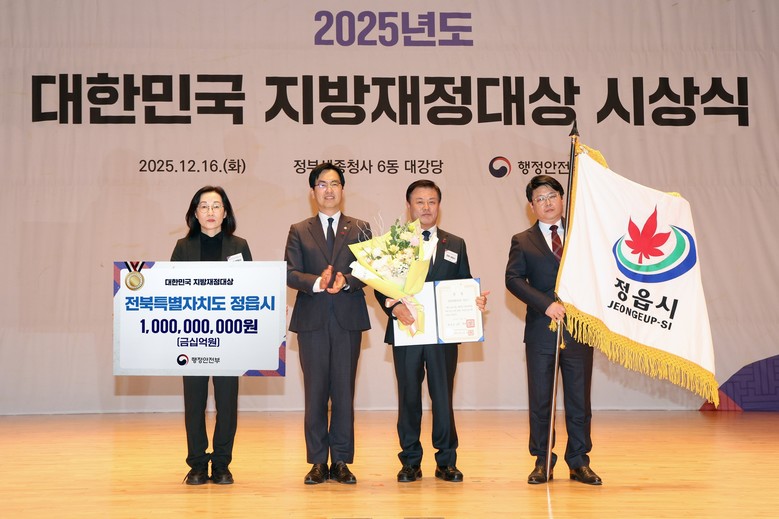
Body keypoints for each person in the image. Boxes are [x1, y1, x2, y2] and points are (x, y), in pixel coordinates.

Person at [375, 180, 488, 483]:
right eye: (420, 201)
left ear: (439, 205)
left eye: (432, 201)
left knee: (442, 398)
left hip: (442, 336)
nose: (426, 207)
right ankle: (410, 461)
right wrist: (393, 308)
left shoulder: (456, 244)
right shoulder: (394, 243)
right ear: (408, 205)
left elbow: (463, 283)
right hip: (407, 331)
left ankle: (446, 461)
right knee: (409, 398)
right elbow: (379, 286)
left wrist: (474, 301)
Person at [505, 175, 602, 486]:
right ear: (531, 206)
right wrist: (545, 304)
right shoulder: (522, 240)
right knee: (541, 400)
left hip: (579, 330)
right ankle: (542, 460)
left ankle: (579, 461)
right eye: (539, 199)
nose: (546, 203)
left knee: (578, 400)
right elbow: (513, 279)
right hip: (541, 332)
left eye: (551, 196)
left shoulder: (582, 234)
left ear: (562, 199)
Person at [285, 162, 372, 485]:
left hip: (347, 320)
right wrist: (317, 282)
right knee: (316, 393)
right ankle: (318, 461)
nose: (329, 190)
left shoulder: (361, 227)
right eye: (322, 184)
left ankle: (342, 461)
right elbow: (290, 272)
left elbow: (370, 270)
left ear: (343, 190)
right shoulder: (299, 229)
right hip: (313, 321)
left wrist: (346, 280)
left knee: (344, 393)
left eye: (335, 183)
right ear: (313, 192)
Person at [171, 185, 252, 485]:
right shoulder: (183, 247)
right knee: (194, 403)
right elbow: (169, 291)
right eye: (204, 206)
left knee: (227, 404)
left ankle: (221, 464)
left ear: (225, 212)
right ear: (195, 213)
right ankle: (196, 464)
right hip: (192, 338)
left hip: (229, 339)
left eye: (216, 206)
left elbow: (252, 289)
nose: (210, 212)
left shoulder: (239, 246)